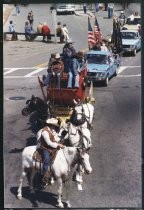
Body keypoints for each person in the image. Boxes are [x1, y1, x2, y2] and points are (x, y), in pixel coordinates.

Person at [37, 118, 65, 189]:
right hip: (45, 148)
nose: (55, 127)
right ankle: (44, 177)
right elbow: (49, 143)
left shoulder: (52, 130)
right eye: (54, 125)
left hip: (52, 147)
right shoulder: (44, 132)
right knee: (46, 160)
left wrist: (61, 137)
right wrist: (58, 145)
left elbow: (55, 139)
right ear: (50, 125)